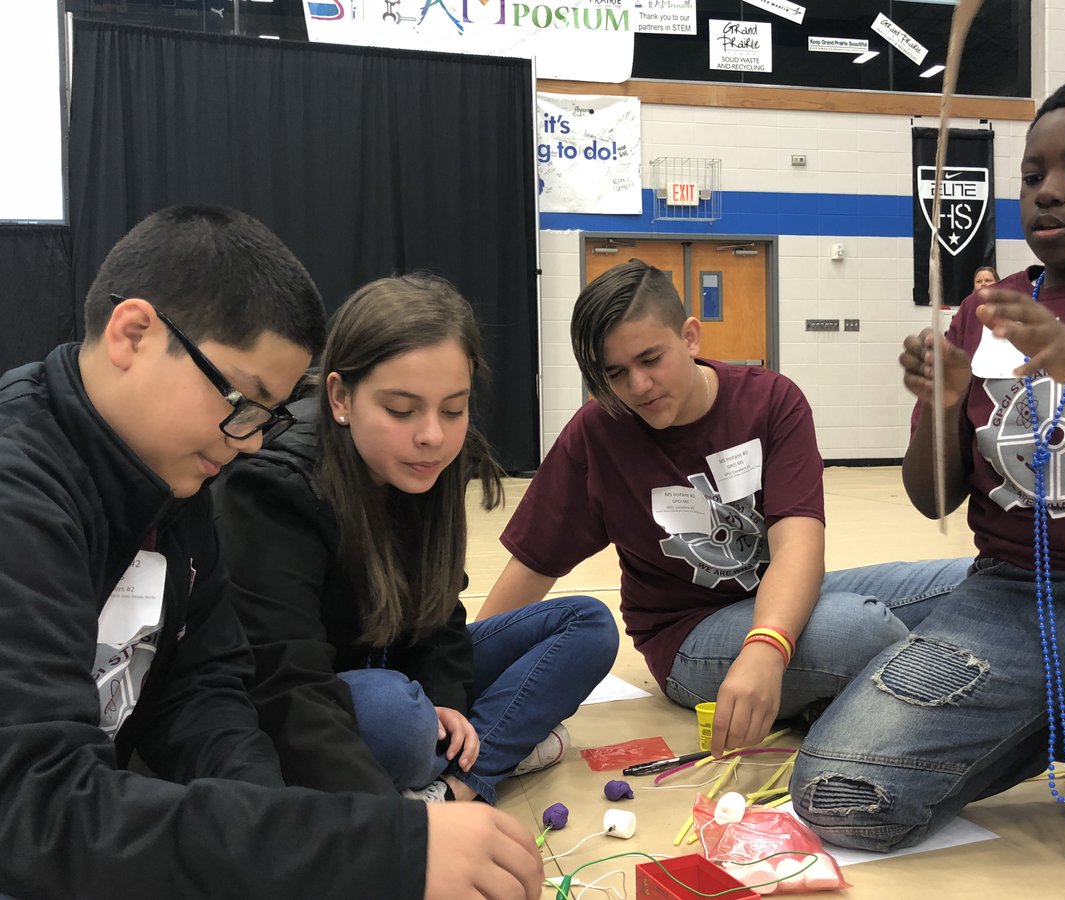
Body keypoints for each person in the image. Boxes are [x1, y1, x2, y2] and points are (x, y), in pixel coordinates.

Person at [0, 206, 542, 900]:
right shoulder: (22, 494)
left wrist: (298, 835)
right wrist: (374, 846)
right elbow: (40, 814)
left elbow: (206, 696)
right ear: (133, 334)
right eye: (240, 399)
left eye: (269, 414)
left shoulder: (177, 482)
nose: (252, 439)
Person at [790, 77, 1065, 899]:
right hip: (1009, 601)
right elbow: (931, 497)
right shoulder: (985, 314)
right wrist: (939, 409)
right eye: (1031, 173)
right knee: (839, 796)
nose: (1048, 190)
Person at [479, 259, 970, 759]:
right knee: (861, 628)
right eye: (616, 373)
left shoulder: (772, 401)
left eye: (651, 359)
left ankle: (841, 697)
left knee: (980, 581)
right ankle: (906, 701)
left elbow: (798, 547)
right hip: (690, 639)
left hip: (777, 606)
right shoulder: (596, 434)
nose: (639, 385)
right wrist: (463, 677)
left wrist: (766, 647)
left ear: (690, 337)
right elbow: (531, 567)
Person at [213, 274, 618, 806]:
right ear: (340, 397)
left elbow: (441, 612)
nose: (432, 434)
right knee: (393, 716)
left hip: (399, 669)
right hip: (329, 699)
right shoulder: (274, 490)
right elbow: (287, 688)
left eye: (453, 409)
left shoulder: (427, 463)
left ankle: (460, 781)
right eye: (401, 410)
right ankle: (495, 751)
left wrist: (446, 700)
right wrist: (397, 835)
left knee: (587, 624)